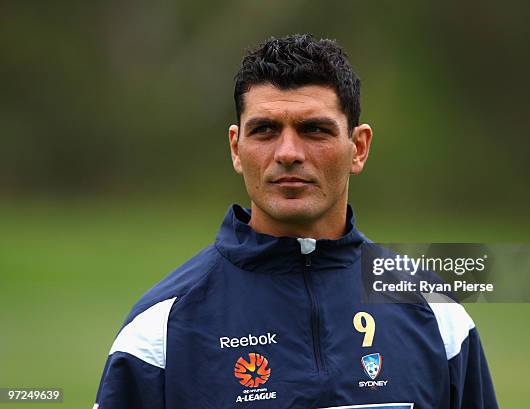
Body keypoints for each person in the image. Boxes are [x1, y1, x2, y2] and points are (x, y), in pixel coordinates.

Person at [93, 34, 498, 409]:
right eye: (265, 130)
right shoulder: (161, 329)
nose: (288, 152)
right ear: (236, 148)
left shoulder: (436, 313)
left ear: (358, 148)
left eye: (314, 130)